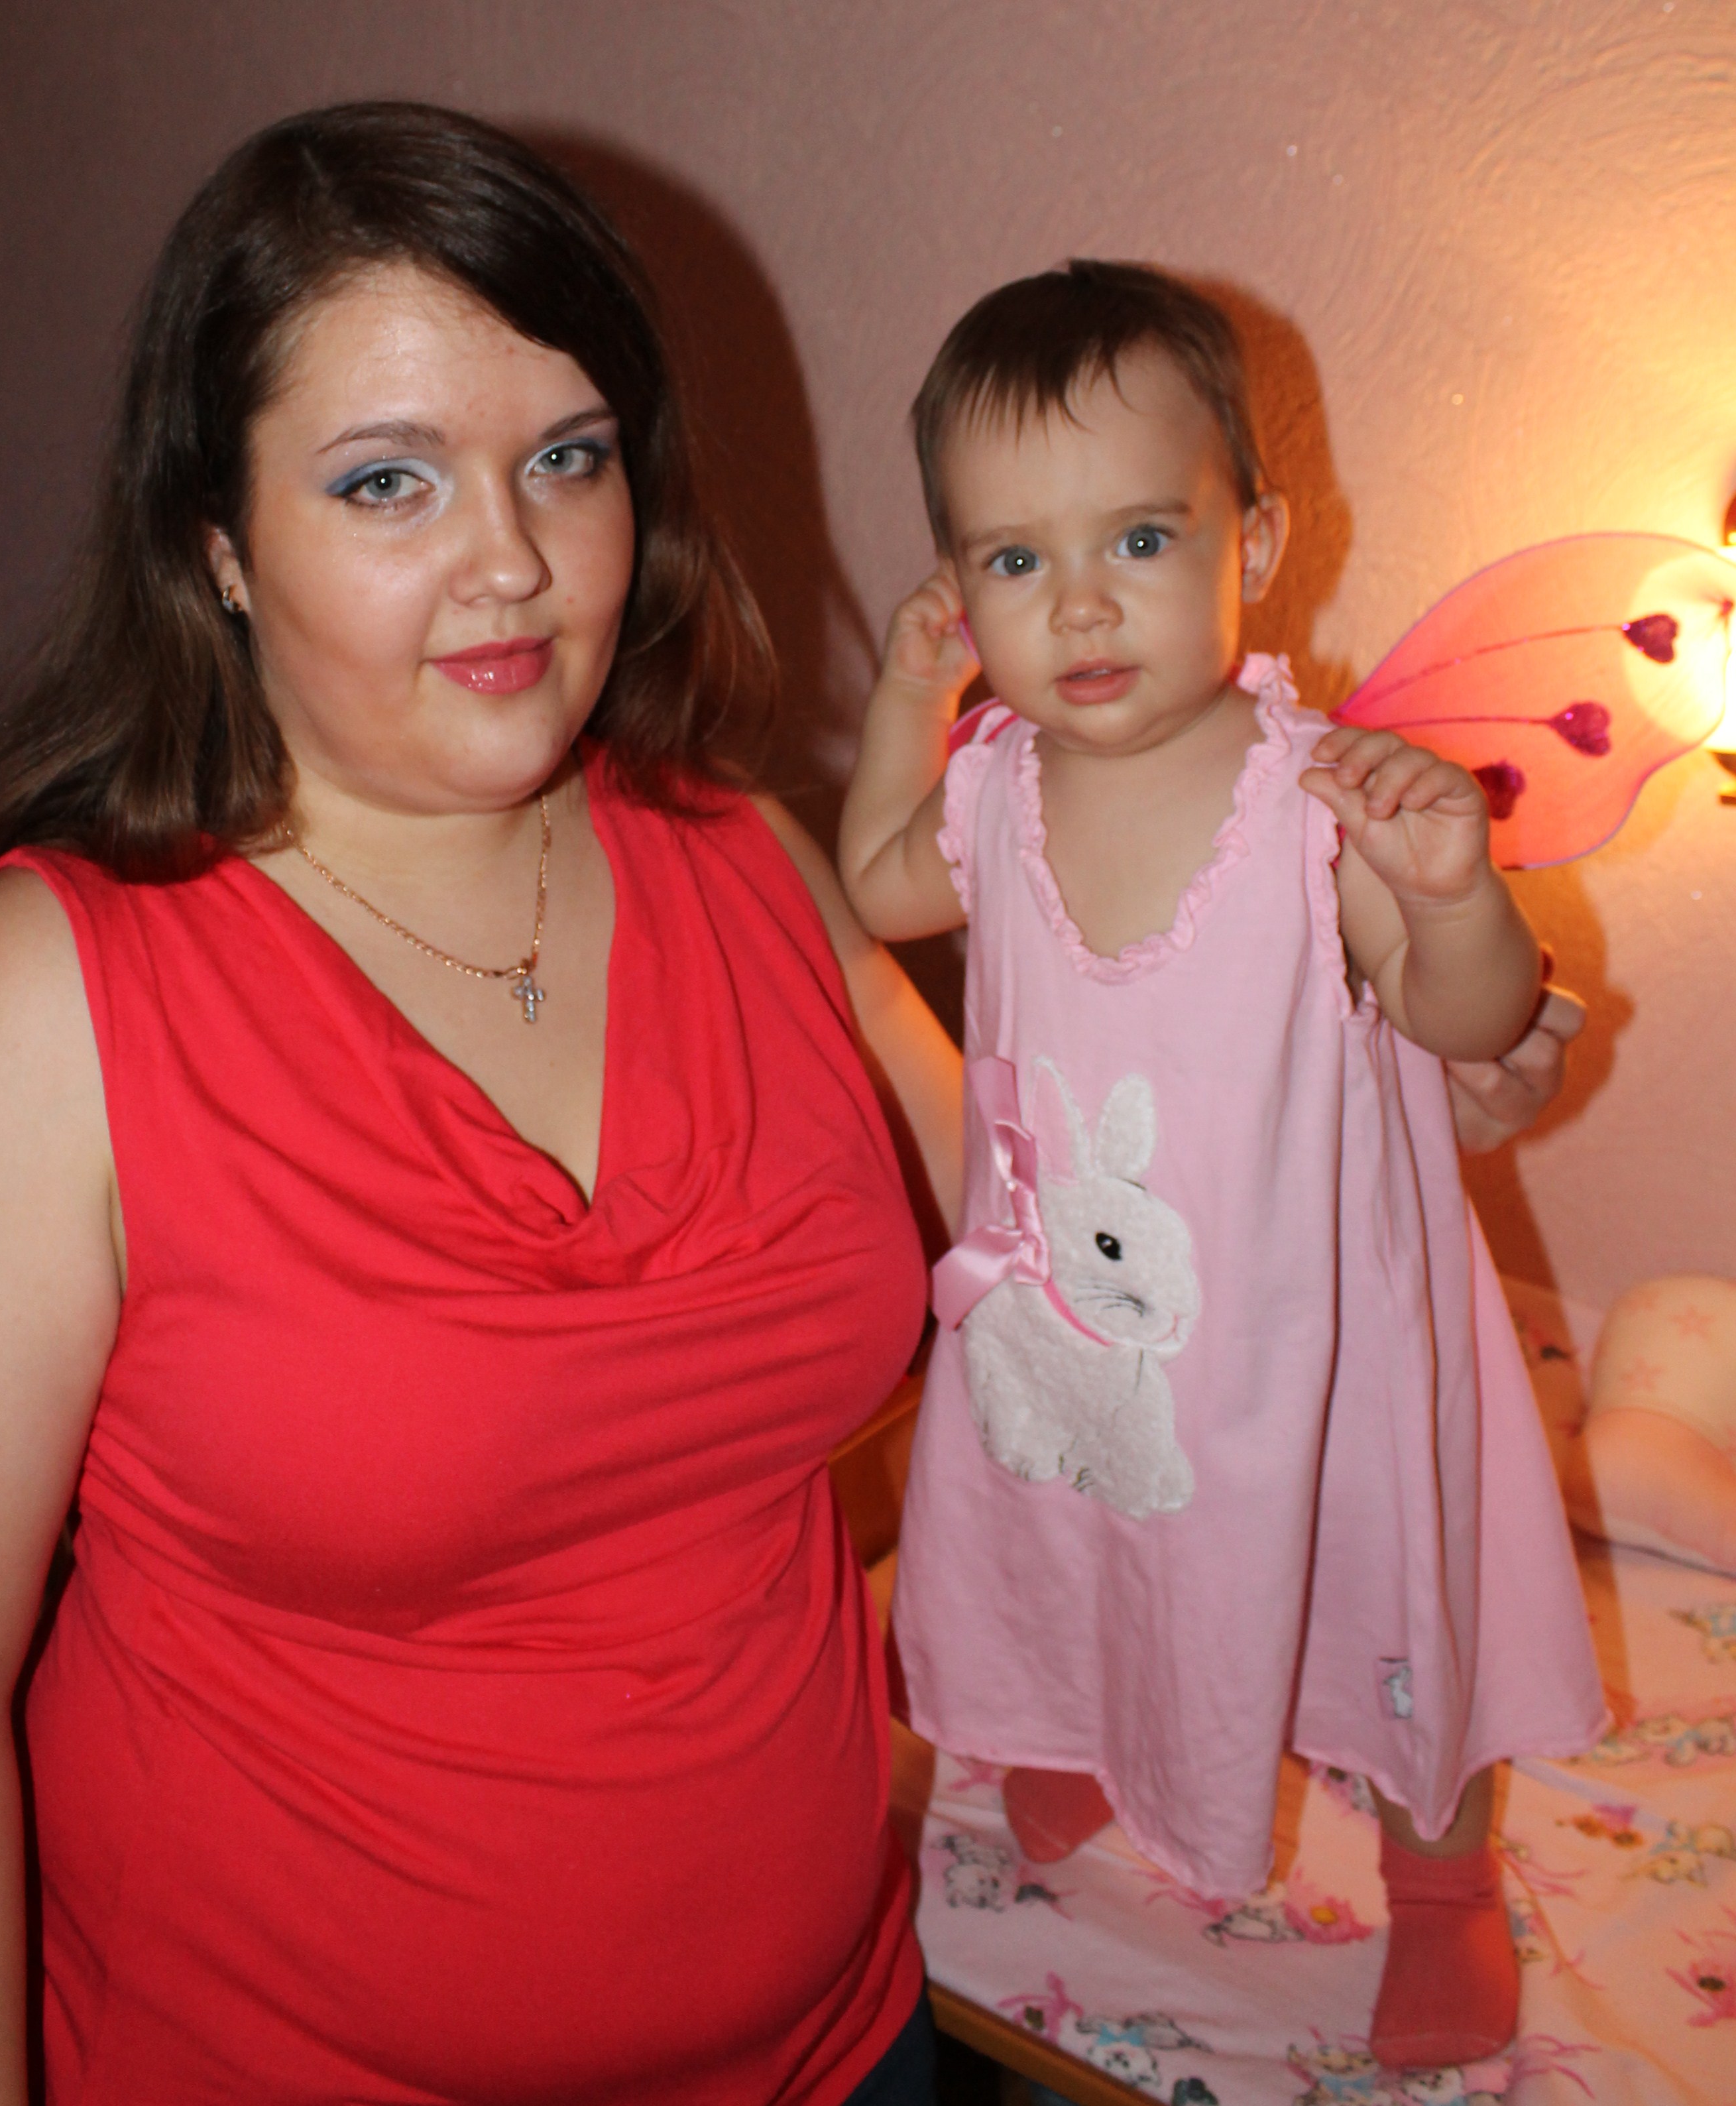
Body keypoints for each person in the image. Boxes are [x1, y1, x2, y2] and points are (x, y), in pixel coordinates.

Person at [0, 105, 964, 2106]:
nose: (512, 560)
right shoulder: (38, 1008)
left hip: (845, 2052)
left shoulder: (749, 861)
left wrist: (1402, 1020)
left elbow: (1082, 1248)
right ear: (216, 544)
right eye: (389, 481)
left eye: (569, 457)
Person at [837, 261, 1605, 2072]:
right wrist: (906, 700)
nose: (1081, 602)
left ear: (1251, 538)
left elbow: (1471, 1018)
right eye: (1014, 560)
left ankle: (1441, 1884)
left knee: (1386, 1597)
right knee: (1075, 1554)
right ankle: (1082, 1730)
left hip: (1315, 1347)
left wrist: (1455, 896)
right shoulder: (996, 784)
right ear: (962, 588)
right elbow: (877, 881)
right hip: (1087, 1338)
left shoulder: (1314, 797)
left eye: (1140, 539)